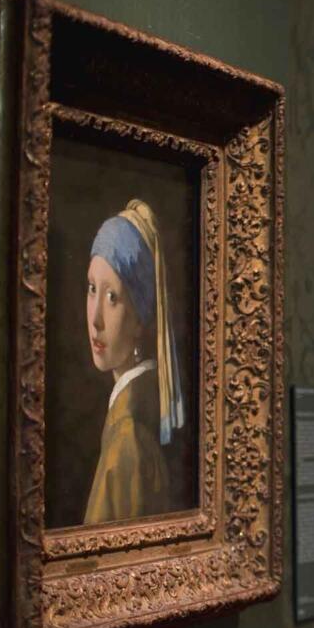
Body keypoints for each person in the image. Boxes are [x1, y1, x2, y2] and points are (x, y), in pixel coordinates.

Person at [83, 199, 184, 524]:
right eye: (92, 289)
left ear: (141, 317)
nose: (95, 318)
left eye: (112, 297)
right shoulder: (133, 416)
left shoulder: (128, 438)